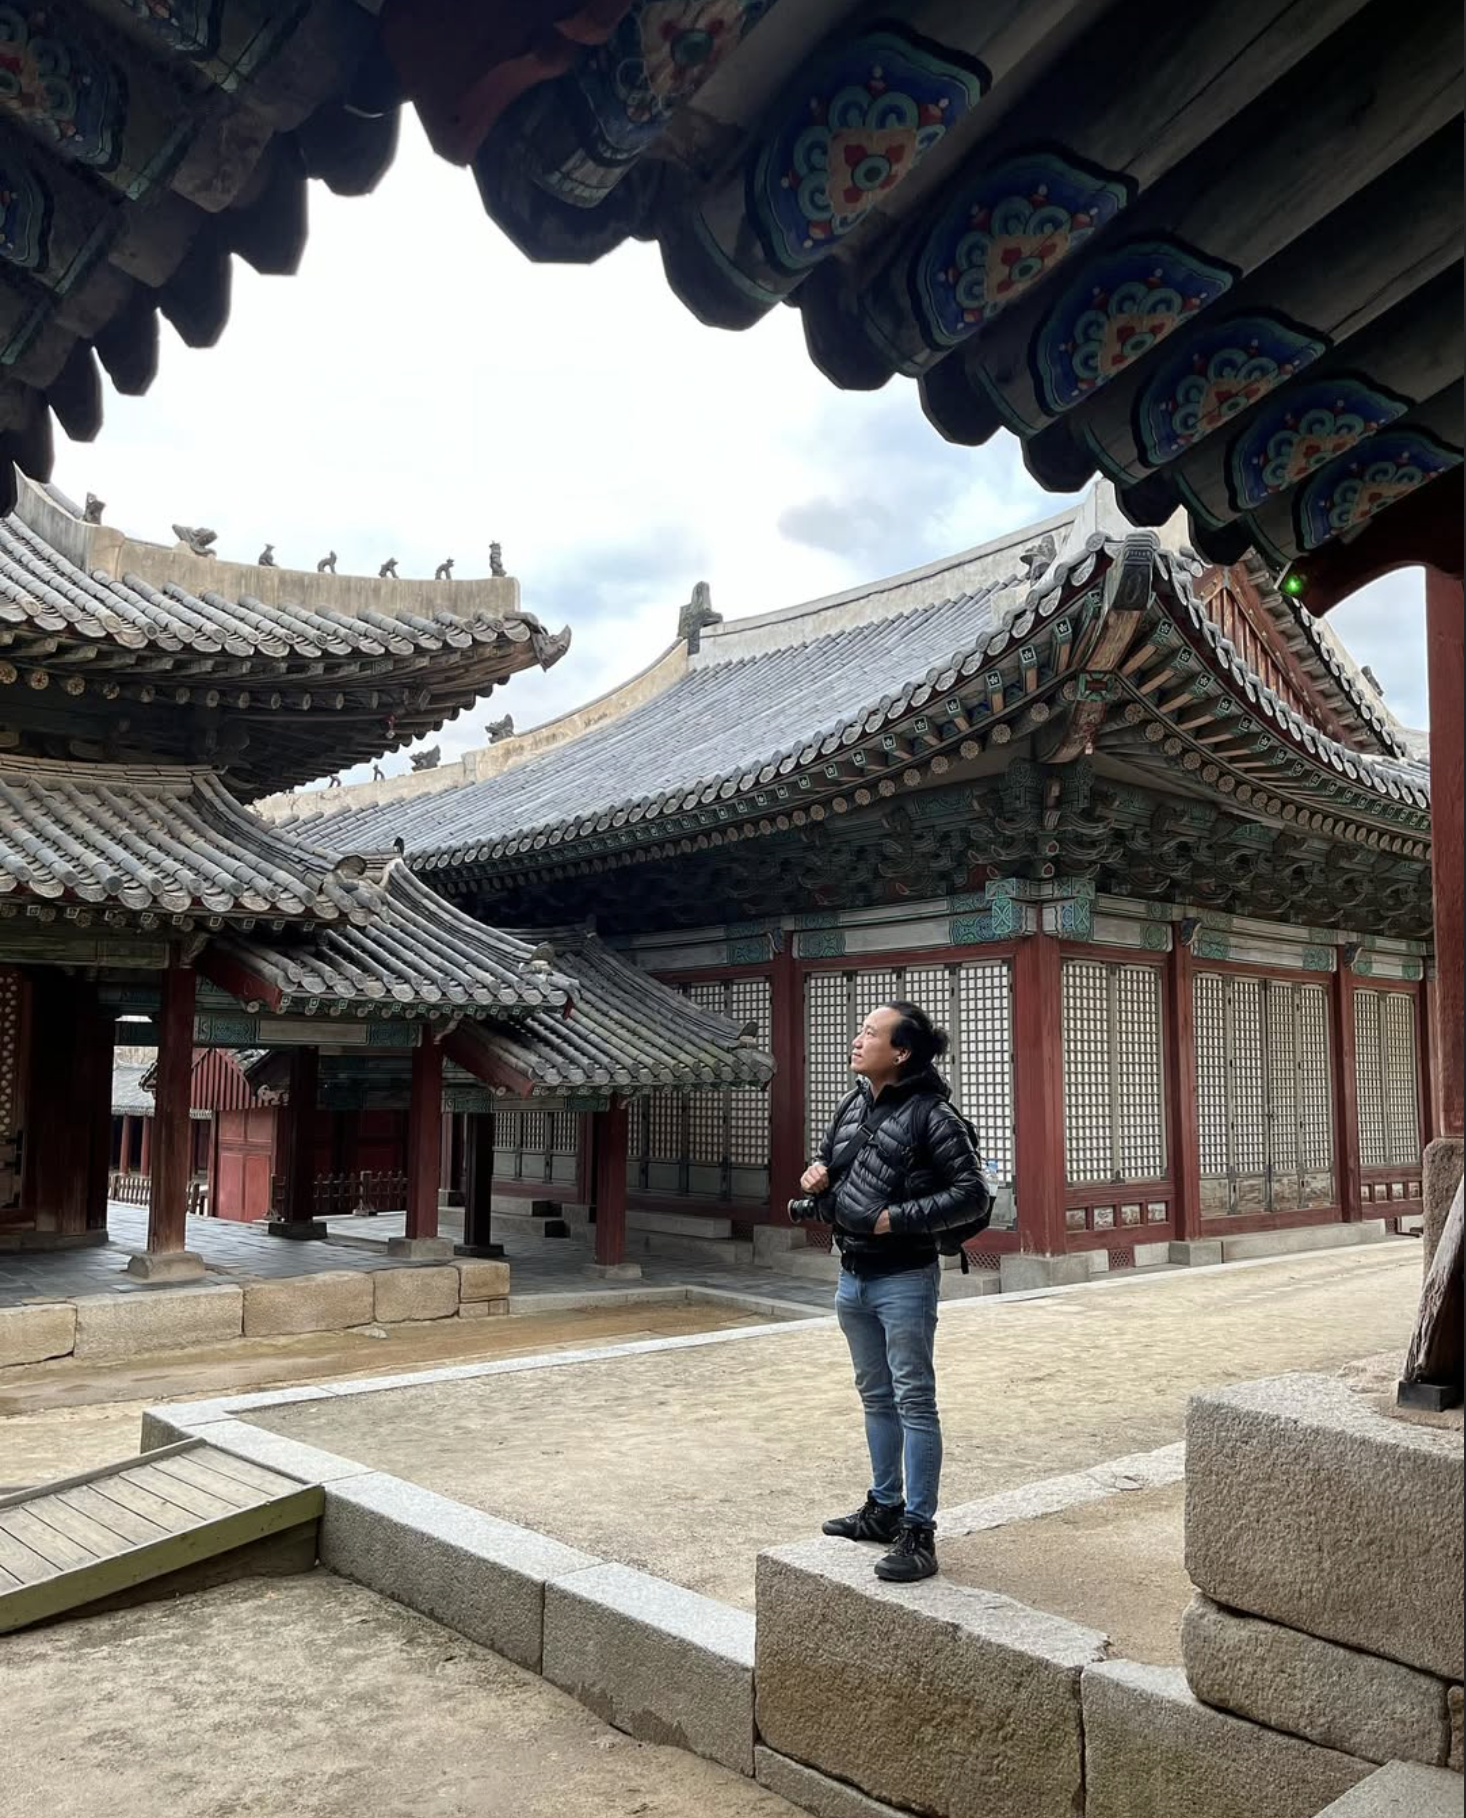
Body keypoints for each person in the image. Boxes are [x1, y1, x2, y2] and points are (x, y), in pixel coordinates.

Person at [798, 1001, 984, 1582]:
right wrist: (815, 1177)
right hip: (852, 1274)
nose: (858, 1039)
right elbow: (829, 1167)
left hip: (905, 1277)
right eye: (860, 1030)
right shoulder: (852, 1104)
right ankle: (884, 1507)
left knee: (914, 1400)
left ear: (900, 1052)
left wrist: (893, 1219)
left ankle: (919, 1532)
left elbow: (973, 1195)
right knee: (875, 1396)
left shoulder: (935, 1116)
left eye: (870, 1033)